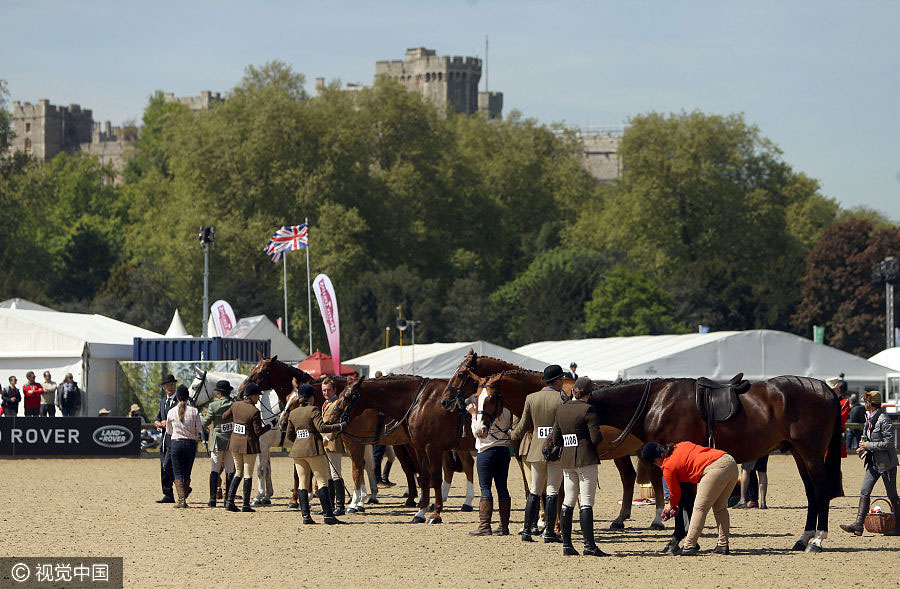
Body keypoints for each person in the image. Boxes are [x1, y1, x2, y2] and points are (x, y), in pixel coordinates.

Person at [641, 441, 739, 555]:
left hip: (714, 469)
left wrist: (669, 506)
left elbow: (675, 494)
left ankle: (689, 545)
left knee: (699, 508)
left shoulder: (667, 467)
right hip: (729, 461)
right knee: (719, 507)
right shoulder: (681, 445)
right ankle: (723, 545)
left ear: (656, 460)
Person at [509, 364, 570, 543]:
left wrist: (510, 435)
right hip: (556, 450)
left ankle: (527, 530)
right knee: (552, 490)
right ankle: (549, 532)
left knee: (534, 490)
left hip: (535, 450)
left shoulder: (531, 398)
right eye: (562, 380)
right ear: (557, 380)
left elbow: (522, 426)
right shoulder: (562, 398)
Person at [547, 376, 607, 556]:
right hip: (585, 459)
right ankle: (589, 546)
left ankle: (567, 545)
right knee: (587, 502)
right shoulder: (588, 409)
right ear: (588, 394)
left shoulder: (561, 409)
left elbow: (557, 439)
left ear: (573, 392)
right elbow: (596, 438)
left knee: (568, 501)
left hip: (567, 461)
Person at [840, 390, 900, 536]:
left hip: (887, 464)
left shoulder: (883, 419)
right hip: (873, 462)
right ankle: (859, 525)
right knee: (864, 491)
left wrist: (869, 446)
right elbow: (868, 435)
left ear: (870, 404)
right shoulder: (870, 417)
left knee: (892, 494)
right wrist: (863, 445)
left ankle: (899, 526)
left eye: (865, 402)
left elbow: (889, 443)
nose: (864, 405)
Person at [286, 383, 345, 524]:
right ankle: (328, 516)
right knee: (322, 481)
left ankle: (306, 516)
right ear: (311, 397)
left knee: (302, 483)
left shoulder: (293, 412)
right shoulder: (313, 410)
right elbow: (322, 427)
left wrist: (300, 441)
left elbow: (289, 435)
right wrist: (340, 426)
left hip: (297, 452)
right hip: (313, 450)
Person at [467, 379, 513, 536]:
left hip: (486, 451)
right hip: (503, 450)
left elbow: (477, 431)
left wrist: (473, 415)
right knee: (502, 488)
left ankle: (484, 525)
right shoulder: (507, 409)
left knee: (485, 488)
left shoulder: (483, 409)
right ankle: (503, 526)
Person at [222, 381, 274, 513]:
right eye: (257, 396)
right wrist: (270, 426)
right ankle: (245, 504)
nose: (259, 398)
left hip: (234, 443)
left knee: (238, 472)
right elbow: (258, 432)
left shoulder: (235, 405)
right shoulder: (254, 411)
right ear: (251, 396)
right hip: (248, 446)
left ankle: (229, 501)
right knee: (247, 474)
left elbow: (224, 416)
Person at [200, 380, 235, 508]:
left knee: (214, 469)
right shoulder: (234, 404)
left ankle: (212, 499)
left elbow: (205, 423)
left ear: (219, 393)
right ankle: (228, 499)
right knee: (230, 470)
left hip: (217, 441)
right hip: (231, 440)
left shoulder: (213, 406)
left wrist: (201, 417)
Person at [165, 384, 201, 508]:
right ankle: (183, 495)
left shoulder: (171, 412)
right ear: (187, 397)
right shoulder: (194, 411)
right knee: (187, 472)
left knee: (177, 471)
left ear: (177, 398)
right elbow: (199, 429)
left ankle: (181, 500)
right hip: (191, 444)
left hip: (176, 443)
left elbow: (169, 431)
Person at [320, 377, 346, 516]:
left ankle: (340, 506)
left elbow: (339, 424)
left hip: (333, 442)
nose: (326, 392)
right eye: (324, 390)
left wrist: (329, 436)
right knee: (327, 475)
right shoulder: (325, 403)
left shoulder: (337, 403)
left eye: (329, 389)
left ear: (334, 389)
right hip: (324, 444)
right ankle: (329, 506)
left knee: (336, 474)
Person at [153, 374, 179, 504]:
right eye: (168, 385)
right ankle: (168, 493)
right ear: (164, 387)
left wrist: (166, 423)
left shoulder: (179, 401)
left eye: (172, 385)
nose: (170, 387)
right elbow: (159, 416)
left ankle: (181, 488)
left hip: (175, 438)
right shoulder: (163, 401)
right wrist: (157, 422)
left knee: (169, 465)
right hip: (164, 439)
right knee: (163, 466)